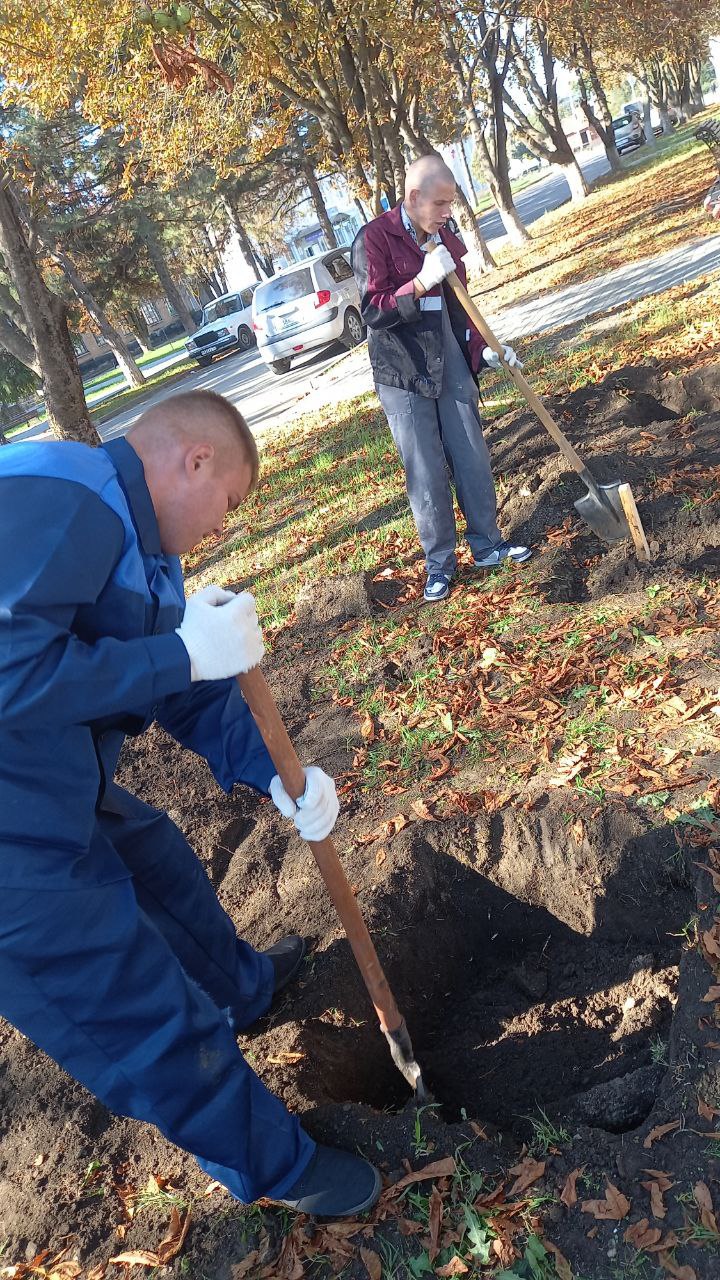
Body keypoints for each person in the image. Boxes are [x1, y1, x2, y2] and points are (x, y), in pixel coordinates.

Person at [0, 390, 381, 1219]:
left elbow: (191, 687)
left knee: (160, 863)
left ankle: (242, 992)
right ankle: (276, 1167)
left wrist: (280, 775)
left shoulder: (138, 541)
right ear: (194, 460)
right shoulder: (61, 501)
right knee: (140, 1011)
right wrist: (175, 654)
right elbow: (10, 673)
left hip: (46, 775)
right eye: (231, 503)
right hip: (11, 842)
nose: (226, 525)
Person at [351, 154, 532, 603]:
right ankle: (440, 565)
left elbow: (460, 309)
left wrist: (482, 349)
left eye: (451, 204)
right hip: (402, 368)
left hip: (447, 355)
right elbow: (374, 311)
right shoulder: (374, 239)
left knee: (471, 451)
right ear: (413, 198)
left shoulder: (445, 239)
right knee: (426, 470)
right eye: (440, 204)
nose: (448, 212)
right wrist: (416, 285)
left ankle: (489, 546)